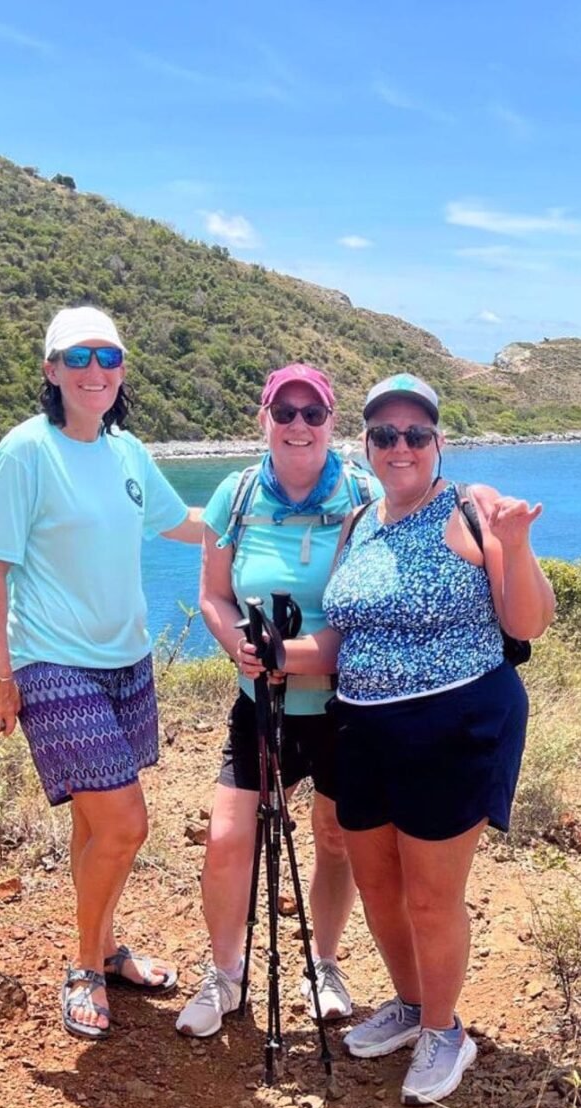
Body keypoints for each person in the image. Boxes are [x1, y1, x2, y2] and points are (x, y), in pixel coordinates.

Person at [268, 373, 556, 1104]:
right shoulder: (358, 523)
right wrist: (280, 654)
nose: (401, 446)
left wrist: (516, 546)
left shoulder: (470, 514)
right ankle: (408, 1002)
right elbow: (340, 637)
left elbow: (527, 623)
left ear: (438, 443)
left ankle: (443, 1032)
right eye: (385, 435)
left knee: (432, 897)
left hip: (455, 724)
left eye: (416, 434)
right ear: (366, 445)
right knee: (378, 884)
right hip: (362, 724)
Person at [0, 305, 204, 1041]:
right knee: (127, 824)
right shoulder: (24, 453)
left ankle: (104, 946)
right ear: (51, 371)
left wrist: (277, 509)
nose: (95, 371)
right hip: (52, 662)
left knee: (93, 822)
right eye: (78, 359)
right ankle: (84, 967)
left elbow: (182, 523)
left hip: (125, 660)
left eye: (108, 357)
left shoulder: (127, 452)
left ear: (122, 370)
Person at [177, 364, 376, 1038]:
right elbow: (213, 591)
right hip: (258, 705)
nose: (298, 426)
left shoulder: (363, 495)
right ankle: (226, 975)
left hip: (345, 709)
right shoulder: (235, 495)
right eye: (284, 413)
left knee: (335, 840)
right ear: (262, 419)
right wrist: (238, 641)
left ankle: (323, 963)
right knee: (229, 841)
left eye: (312, 414)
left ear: (332, 423)